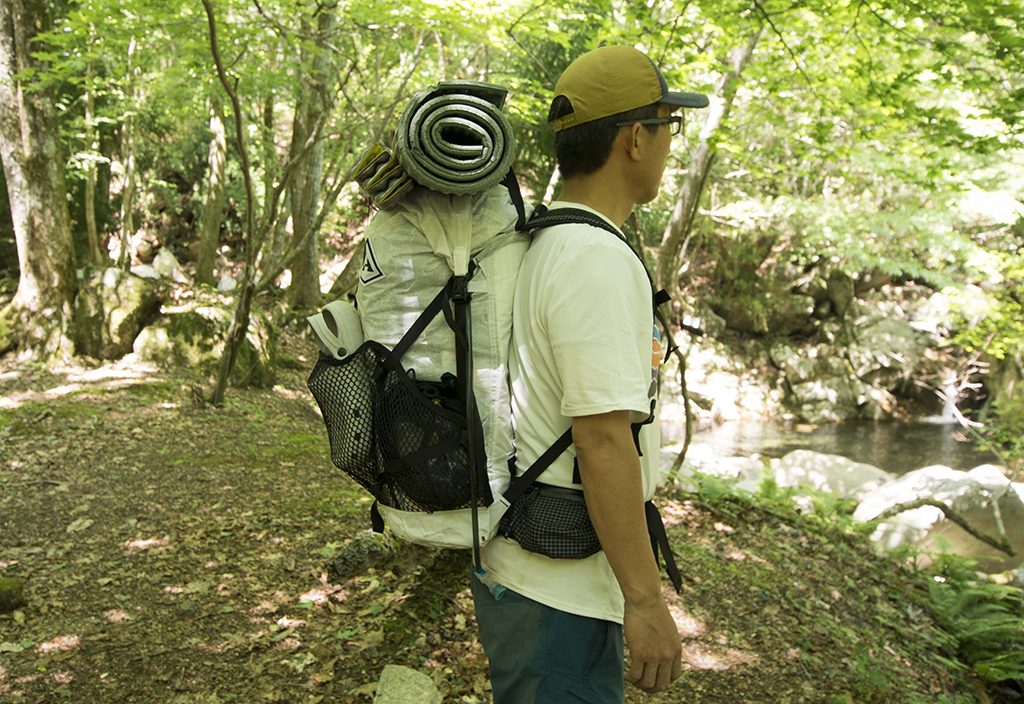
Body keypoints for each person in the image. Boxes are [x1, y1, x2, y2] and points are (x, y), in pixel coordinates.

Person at [471, 45, 709, 703]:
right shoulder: (595, 260)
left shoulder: (550, 239)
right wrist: (646, 601)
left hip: (535, 575)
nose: (668, 145)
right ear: (636, 138)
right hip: (559, 600)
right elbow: (601, 441)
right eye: (668, 128)